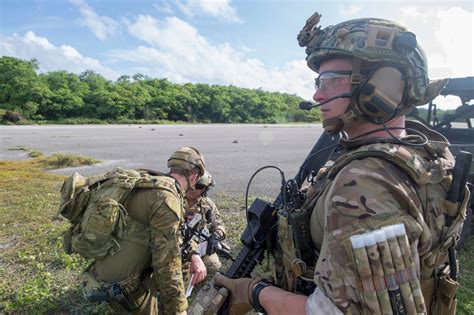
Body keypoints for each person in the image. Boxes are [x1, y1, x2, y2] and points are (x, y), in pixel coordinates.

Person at [215, 13, 469, 315]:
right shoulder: (418, 152)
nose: (317, 94)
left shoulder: (367, 179)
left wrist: (257, 292)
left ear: (383, 85)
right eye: (317, 81)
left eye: (330, 80)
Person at [81, 146, 208, 314]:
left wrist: (192, 253)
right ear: (193, 177)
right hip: (122, 286)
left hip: (102, 270)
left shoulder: (148, 182)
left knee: (183, 257)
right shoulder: (167, 200)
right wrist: (178, 310)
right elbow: (166, 263)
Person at [185, 170, 227, 274]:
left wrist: (215, 236)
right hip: (177, 244)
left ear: (205, 189)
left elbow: (219, 224)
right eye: (192, 184)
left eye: (199, 186)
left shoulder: (207, 204)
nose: (193, 188)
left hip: (199, 244)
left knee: (213, 266)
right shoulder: (175, 200)